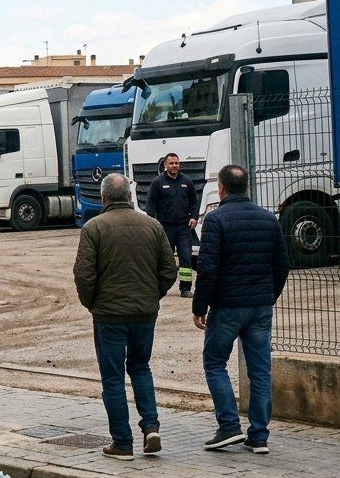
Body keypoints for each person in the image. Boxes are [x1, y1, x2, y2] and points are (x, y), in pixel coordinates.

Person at [74, 173, 178, 460]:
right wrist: (151, 296)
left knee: (113, 378)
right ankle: (151, 426)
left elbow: (84, 274)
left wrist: (93, 304)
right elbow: (169, 271)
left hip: (109, 315)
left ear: (103, 197)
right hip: (144, 313)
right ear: (130, 197)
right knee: (141, 367)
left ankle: (122, 442)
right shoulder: (153, 226)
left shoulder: (94, 227)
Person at [192, 164, 289, 454]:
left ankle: (229, 426)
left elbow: (208, 269)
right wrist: (268, 297)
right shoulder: (268, 218)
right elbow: (282, 266)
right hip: (260, 306)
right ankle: (258, 436)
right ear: (246, 186)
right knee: (260, 371)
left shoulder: (215, 219)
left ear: (221, 188)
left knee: (214, 362)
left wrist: (199, 306)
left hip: (228, 306)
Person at [144, 153, 200, 297]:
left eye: (176, 163)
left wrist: (194, 217)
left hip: (183, 227)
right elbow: (150, 204)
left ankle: (185, 288)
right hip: (164, 227)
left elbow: (194, 202)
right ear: (165, 165)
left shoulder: (187, 181)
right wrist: (152, 222)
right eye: (171, 163)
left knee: (185, 258)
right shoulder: (157, 182)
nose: (174, 166)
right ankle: (161, 288)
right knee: (164, 259)